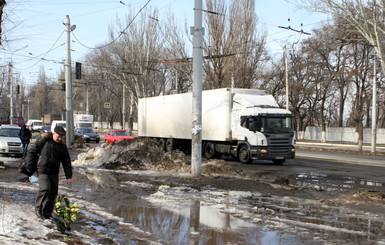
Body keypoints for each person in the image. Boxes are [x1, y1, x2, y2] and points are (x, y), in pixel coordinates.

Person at [25, 126, 72, 219]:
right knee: (45, 188)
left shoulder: (62, 146)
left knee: (53, 193)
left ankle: (47, 212)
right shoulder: (44, 140)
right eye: (58, 136)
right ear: (53, 133)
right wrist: (30, 166)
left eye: (61, 137)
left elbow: (66, 161)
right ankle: (38, 208)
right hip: (42, 170)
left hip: (54, 172)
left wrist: (68, 176)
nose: (59, 138)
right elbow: (32, 151)